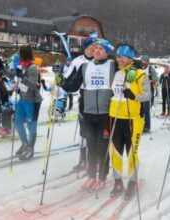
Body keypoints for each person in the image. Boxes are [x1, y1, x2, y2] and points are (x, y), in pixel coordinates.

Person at [58, 39, 115, 191]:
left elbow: (129, 66)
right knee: (91, 146)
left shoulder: (113, 66)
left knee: (103, 147)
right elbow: (72, 86)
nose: (97, 50)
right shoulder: (84, 67)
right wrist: (61, 81)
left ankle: (102, 177)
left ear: (107, 52)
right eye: (96, 48)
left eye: (101, 49)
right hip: (88, 112)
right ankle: (91, 176)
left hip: (106, 113)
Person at [109, 44, 150, 200]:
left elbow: (147, 96)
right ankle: (118, 181)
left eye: (123, 57)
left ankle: (132, 181)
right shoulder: (117, 73)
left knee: (131, 152)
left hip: (133, 118)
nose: (119, 59)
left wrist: (133, 95)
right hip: (115, 116)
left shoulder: (140, 74)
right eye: (118, 56)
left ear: (131, 58)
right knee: (115, 152)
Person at [0, 45, 43, 160]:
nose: (17, 54)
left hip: (32, 101)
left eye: (19, 53)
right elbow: (13, 76)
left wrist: (22, 77)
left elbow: (33, 85)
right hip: (22, 99)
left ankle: (31, 148)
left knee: (31, 125)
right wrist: (2, 68)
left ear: (24, 54)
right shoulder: (22, 66)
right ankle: (24, 143)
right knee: (17, 122)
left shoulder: (33, 68)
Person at [64, 36, 97, 170]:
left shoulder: (101, 61)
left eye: (97, 46)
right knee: (84, 129)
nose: (96, 48)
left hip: (100, 97)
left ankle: (97, 158)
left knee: (98, 129)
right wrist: (59, 80)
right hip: (84, 96)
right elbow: (67, 79)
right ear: (86, 47)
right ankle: (83, 159)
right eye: (93, 46)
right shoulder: (78, 62)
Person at [140, 55, 158, 132]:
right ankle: (140, 125)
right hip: (139, 90)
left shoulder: (150, 69)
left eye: (144, 61)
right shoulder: (139, 68)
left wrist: (150, 79)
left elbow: (156, 78)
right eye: (142, 60)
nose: (142, 62)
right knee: (140, 109)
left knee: (146, 109)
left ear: (147, 62)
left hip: (148, 90)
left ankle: (147, 126)